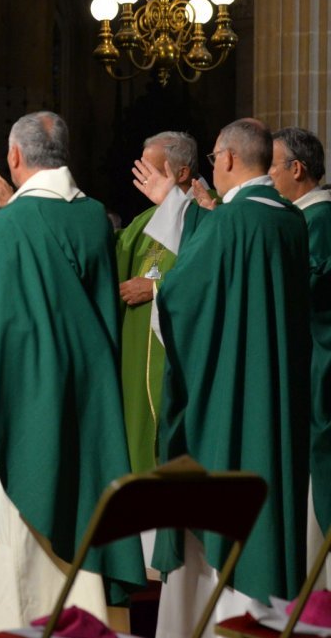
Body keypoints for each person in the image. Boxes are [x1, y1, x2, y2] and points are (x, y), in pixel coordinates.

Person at [0, 111, 144, 635]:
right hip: (88, 400)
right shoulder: (95, 216)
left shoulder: (5, 229)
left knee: (20, 540)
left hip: (19, 404)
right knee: (82, 500)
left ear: (14, 157)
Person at [134, 118, 311, 638]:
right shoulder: (288, 219)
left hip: (231, 397)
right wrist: (180, 207)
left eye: (214, 157)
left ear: (230, 159)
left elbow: (181, 300)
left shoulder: (234, 223)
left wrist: (175, 211)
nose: (214, 165)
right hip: (274, 390)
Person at [114, 132, 200, 474]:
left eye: (151, 168)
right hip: (135, 358)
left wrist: (156, 288)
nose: (143, 177)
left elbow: (211, 275)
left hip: (179, 356)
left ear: (181, 173)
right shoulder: (141, 223)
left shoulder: (212, 212)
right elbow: (109, 261)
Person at [269, 127, 331, 585]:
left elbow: (302, 289)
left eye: (271, 165)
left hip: (320, 362)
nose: (266, 174)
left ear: (296, 169)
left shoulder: (318, 218)